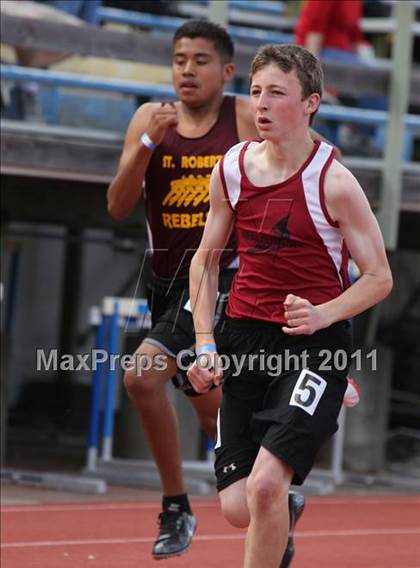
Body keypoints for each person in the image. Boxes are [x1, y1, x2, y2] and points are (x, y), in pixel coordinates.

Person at [107, 19, 316, 564]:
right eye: (179, 59)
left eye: (200, 60)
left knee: (141, 376)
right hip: (165, 280)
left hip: (221, 280)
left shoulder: (244, 117)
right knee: (211, 411)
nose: (186, 70)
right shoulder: (150, 121)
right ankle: (274, 510)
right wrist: (147, 143)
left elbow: (294, 164)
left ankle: (176, 506)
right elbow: (117, 205)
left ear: (226, 72)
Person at [187, 43, 392, 568]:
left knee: (263, 488)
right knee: (238, 507)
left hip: (313, 345)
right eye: (255, 92)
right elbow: (207, 263)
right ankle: (284, 514)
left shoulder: (335, 183)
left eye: (277, 93)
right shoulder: (231, 169)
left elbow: (379, 277)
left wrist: (325, 314)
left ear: (311, 103)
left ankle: (328, 394)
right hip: (243, 338)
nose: (261, 104)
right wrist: (205, 341)